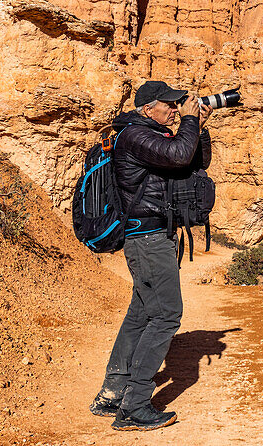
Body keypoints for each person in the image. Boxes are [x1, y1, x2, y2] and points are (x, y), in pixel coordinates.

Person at [88, 80, 213, 431]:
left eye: (178, 105)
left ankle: (112, 394)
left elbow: (193, 161)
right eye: (169, 105)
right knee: (167, 315)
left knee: (141, 314)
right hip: (148, 238)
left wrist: (197, 126)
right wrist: (188, 121)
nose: (175, 110)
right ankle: (135, 404)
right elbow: (177, 155)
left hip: (151, 237)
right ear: (148, 108)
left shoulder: (149, 135)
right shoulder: (134, 136)